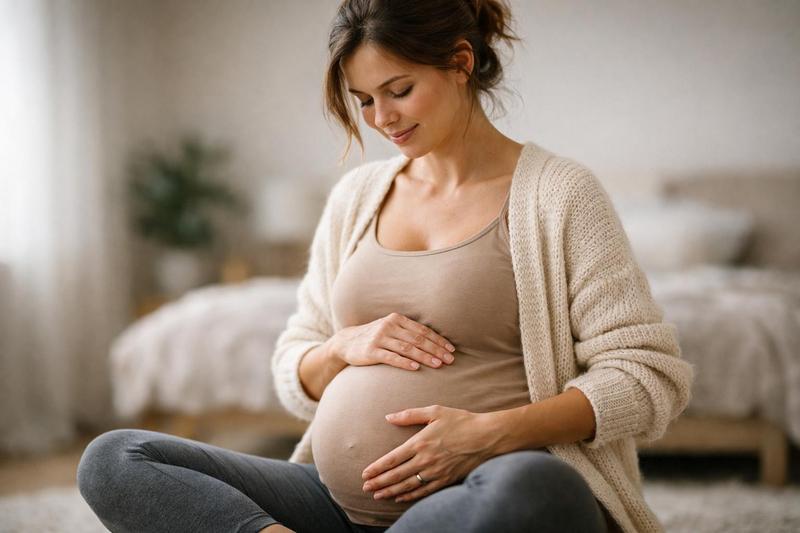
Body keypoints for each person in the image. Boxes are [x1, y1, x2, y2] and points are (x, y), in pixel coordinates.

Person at [77, 1, 694, 532]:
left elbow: (648, 374)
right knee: (115, 457)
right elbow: (297, 361)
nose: (381, 119)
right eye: (365, 100)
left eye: (399, 90)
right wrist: (343, 347)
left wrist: (490, 435)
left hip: (480, 500)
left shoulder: (559, 194)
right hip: (334, 504)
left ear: (461, 62)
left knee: (538, 490)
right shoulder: (357, 195)